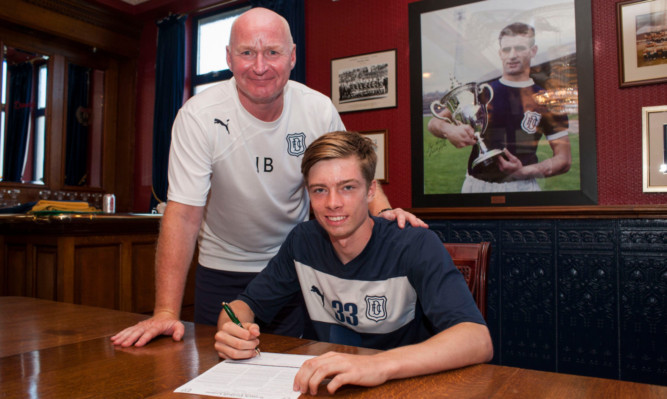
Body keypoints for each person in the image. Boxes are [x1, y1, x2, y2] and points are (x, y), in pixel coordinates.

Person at [111, 7, 425, 348]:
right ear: (229, 58)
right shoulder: (198, 117)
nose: (259, 66)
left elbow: (353, 178)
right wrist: (166, 312)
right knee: (215, 375)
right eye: (247, 53)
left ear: (292, 56)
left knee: (290, 370)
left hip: (294, 267)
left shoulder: (317, 110)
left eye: (272, 52)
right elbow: (184, 215)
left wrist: (386, 220)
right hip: (222, 268)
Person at [214, 131, 493, 395]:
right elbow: (243, 306)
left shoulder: (415, 244)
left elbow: (477, 340)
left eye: (347, 187)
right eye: (320, 190)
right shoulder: (302, 242)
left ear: (371, 191)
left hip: (402, 386)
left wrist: (377, 365)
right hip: (322, 386)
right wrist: (232, 331)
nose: (332, 203)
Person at [427, 22, 571, 193]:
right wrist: (448, 130)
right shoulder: (480, 89)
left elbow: (564, 159)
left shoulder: (546, 99)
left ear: (533, 51)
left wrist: (523, 172)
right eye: (506, 50)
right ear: (500, 53)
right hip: (475, 185)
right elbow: (434, 123)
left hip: (522, 187)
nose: (512, 55)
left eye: (519, 48)